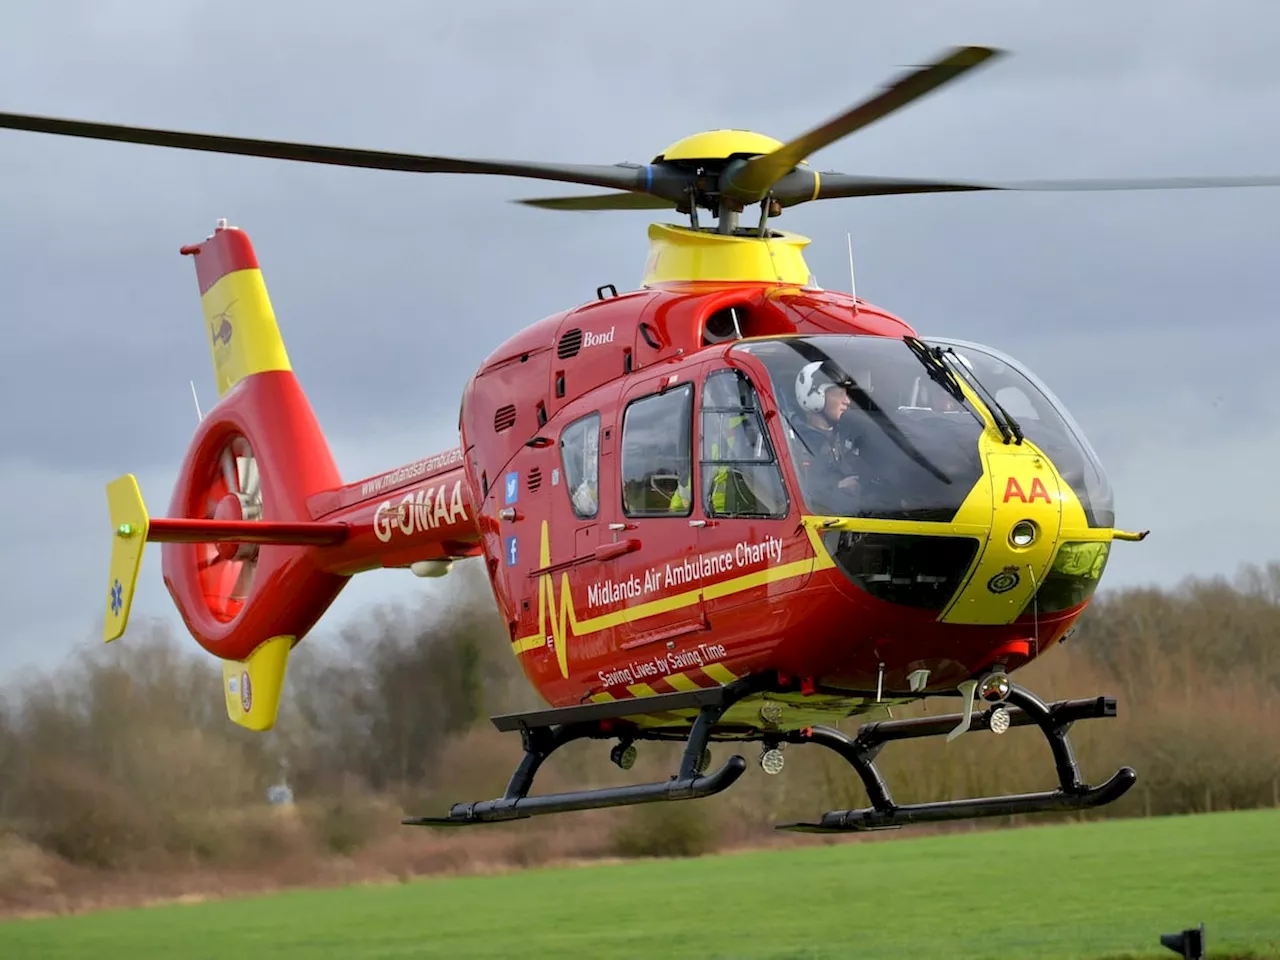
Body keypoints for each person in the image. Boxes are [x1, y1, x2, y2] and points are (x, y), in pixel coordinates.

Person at [789, 360, 864, 514]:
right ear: (814, 396)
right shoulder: (790, 440)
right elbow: (781, 494)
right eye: (838, 394)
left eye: (847, 395)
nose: (847, 402)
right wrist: (836, 489)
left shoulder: (849, 436)